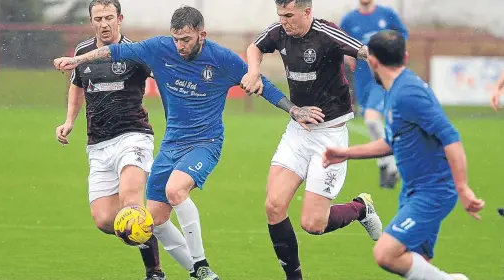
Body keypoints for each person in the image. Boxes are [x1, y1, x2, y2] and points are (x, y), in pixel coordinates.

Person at [53, 5, 323, 280]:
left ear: (201, 35)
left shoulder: (221, 59)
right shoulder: (160, 48)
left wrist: (294, 110)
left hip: (205, 143)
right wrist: (77, 61)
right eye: (176, 39)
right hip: (172, 144)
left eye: (186, 40)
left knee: (175, 190)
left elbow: (262, 83)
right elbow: (115, 51)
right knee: (154, 221)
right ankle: (197, 272)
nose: (180, 46)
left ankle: (201, 263)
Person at [323, 30, 485, 280]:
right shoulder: (396, 89)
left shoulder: (409, 93)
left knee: (386, 254)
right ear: (406, 57)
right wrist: (346, 153)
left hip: (433, 191)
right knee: (417, 264)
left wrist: (463, 188)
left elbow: (451, 137)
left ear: (373, 61)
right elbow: (390, 142)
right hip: (413, 189)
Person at [240, 1, 382, 279]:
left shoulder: (326, 33)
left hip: (330, 136)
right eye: (280, 15)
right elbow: (255, 47)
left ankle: (360, 208)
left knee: (313, 223)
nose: (284, 21)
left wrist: (386, 61)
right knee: (274, 206)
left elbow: (363, 51)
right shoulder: (278, 32)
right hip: (297, 132)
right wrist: (253, 70)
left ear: (307, 12)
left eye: (289, 15)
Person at [54, 1, 165, 279]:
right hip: (99, 143)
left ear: (120, 19)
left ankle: (155, 272)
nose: (104, 24)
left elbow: (165, 79)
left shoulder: (135, 52)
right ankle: (154, 223)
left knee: (130, 202)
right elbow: (76, 86)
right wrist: (69, 121)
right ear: (91, 21)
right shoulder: (82, 53)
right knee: (106, 220)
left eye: (109, 18)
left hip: (134, 136)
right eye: (98, 18)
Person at [340, 0, 409, 188]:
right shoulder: (349, 19)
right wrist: (346, 55)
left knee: (372, 119)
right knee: (372, 121)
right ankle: (386, 163)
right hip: (362, 79)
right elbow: (340, 43)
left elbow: (403, 35)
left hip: (383, 78)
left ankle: (391, 164)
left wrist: (393, 53)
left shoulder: (386, 14)